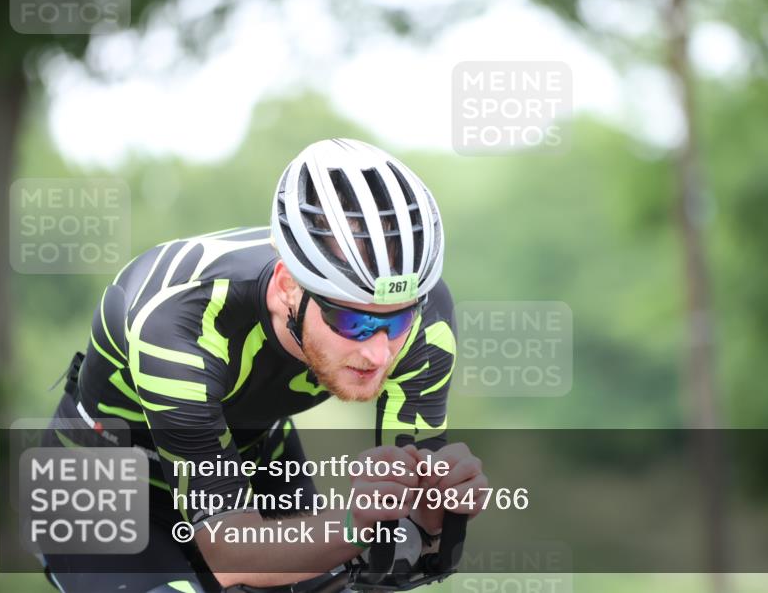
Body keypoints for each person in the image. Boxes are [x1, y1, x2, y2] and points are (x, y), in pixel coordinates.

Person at [38, 138, 486, 593]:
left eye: (398, 321)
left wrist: (436, 520)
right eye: (353, 320)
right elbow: (229, 557)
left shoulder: (426, 320)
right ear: (286, 287)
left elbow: (399, 559)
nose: (379, 352)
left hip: (247, 449)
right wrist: (354, 524)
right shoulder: (180, 319)